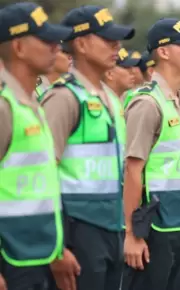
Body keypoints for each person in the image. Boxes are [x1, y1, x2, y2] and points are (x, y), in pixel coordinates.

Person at [39, 5, 134, 290]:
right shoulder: (64, 99)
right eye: (107, 39)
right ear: (80, 44)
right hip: (77, 230)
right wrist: (56, 248)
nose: (116, 46)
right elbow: (44, 174)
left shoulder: (111, 100)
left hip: (112, 226)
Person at [121, 18, 180, 290]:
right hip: (155, 228)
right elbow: (133, 169)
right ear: (164, 51)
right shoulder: (148, 103)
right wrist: (133, 236)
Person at [0, 3, 71, 290]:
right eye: (46, 40)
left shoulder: (30, 104)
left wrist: (57, 250)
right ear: (18, 46)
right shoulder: (5, 107)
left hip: (36, 255)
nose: (56, 47)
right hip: (11, 259)